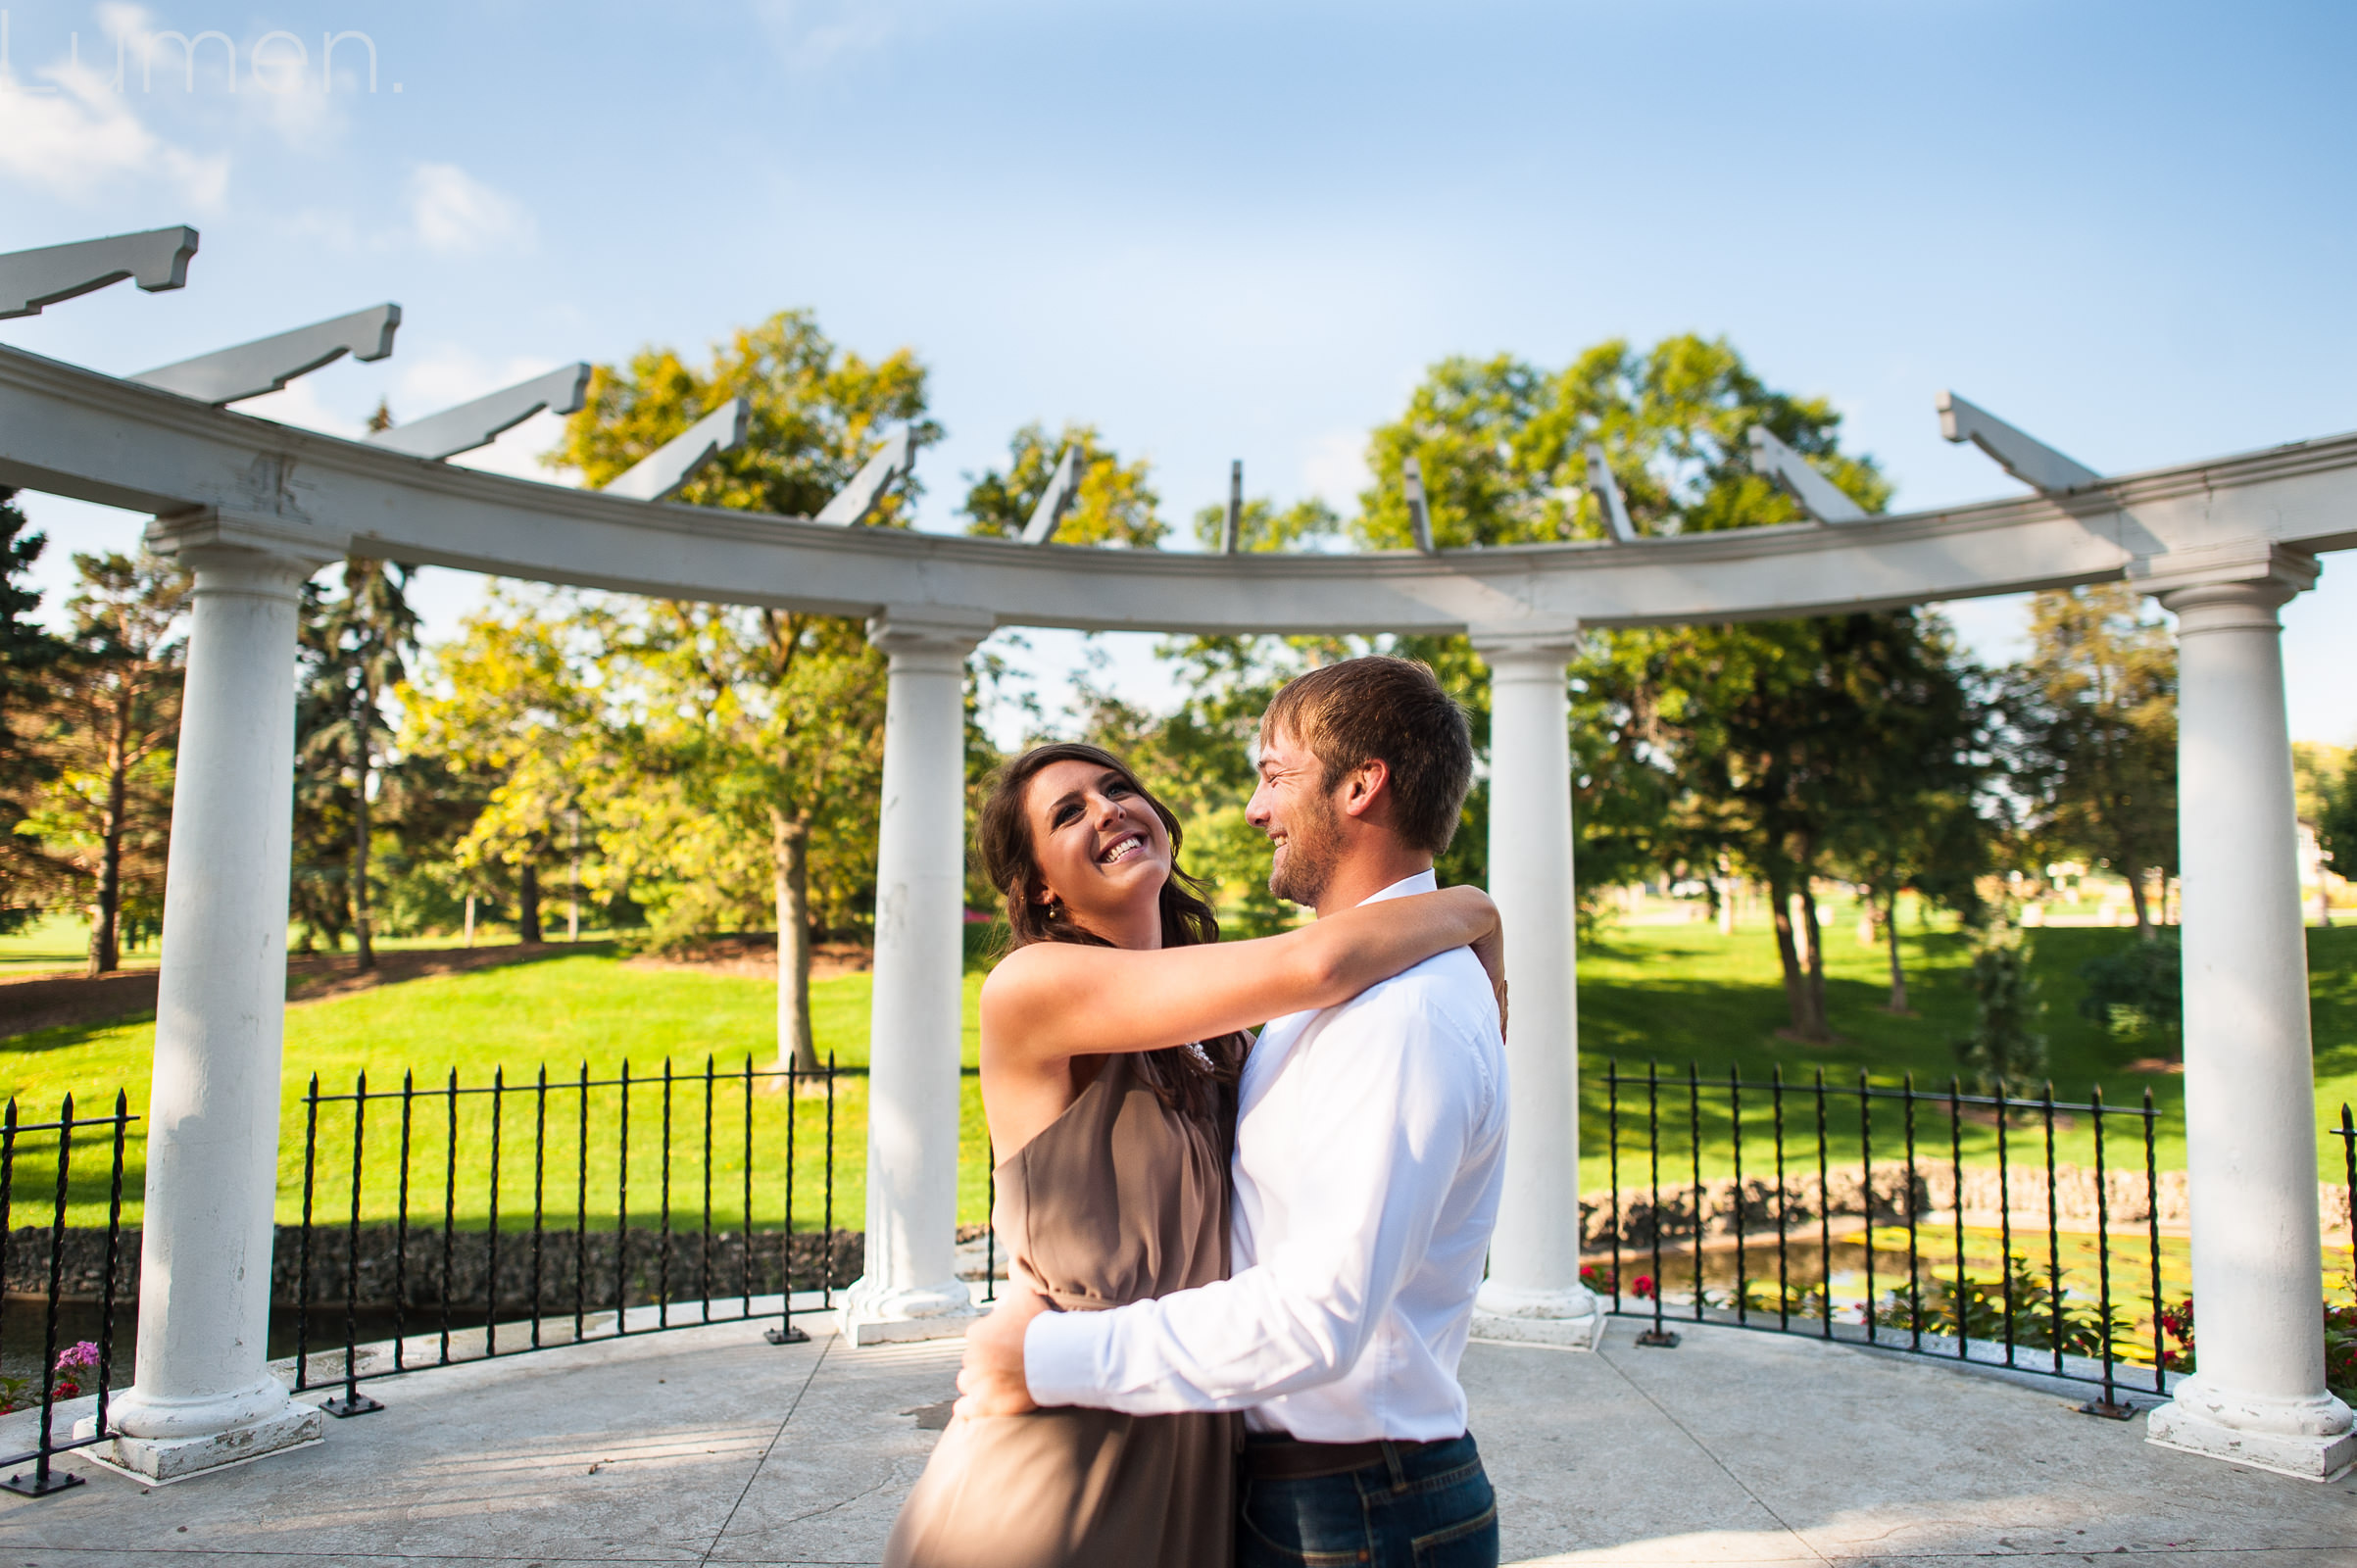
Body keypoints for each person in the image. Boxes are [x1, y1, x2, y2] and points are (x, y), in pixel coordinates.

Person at [882, 736, 1504, 1568]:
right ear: (1038, 885)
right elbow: (1319, 960)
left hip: (1200, 1448)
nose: (1106, 809)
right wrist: (1477, 911)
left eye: (1115, 788)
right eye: (1068, 813)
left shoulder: (1223, 1033)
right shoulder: (1032, 988)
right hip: (1064, 1446)